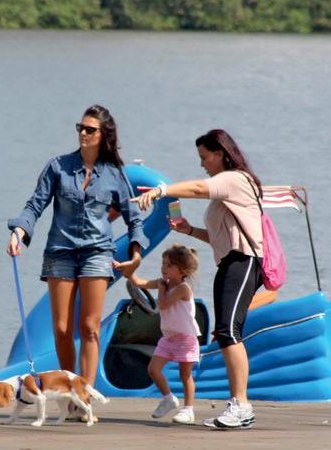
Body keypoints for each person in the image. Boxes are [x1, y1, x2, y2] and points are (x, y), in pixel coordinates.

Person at [6, 104, 148, 421]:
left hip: (98, 252)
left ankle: (84, 397)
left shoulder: (115, 174)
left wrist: (136, 251)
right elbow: (35, 205)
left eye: (90, 129)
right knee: (60, 329)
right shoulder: (58, 166)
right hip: (60, 251)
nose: (83, 134)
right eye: (80, 128)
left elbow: (133, 218)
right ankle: (69, 393)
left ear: (103, 135)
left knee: (90, 328)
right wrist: (19, 232)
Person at [131, 129, 263, 430]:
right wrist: (189, 230)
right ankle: (239, 406)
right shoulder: (228, 184)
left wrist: (161, 190)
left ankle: (241, 405)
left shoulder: (234, 179)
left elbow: (199, 188)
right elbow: (220, 239)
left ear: (220, 154)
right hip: (230, 261)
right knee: (228, 330)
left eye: (205, 157)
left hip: (244, 261)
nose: (202, 163)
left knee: (229, 331)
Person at [116, 244, 201, 425]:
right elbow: (139, 283)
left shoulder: (183, 289)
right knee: (153, 369)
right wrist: (129, 271)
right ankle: (169, 398)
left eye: (169, 265)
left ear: (182, 270)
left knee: (185, 374)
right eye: (163, 264)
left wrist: (161, 289)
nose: (164, 269)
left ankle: (188, 410)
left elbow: (163, 305)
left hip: (185, 337)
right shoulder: (165, 283)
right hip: (169, 337)